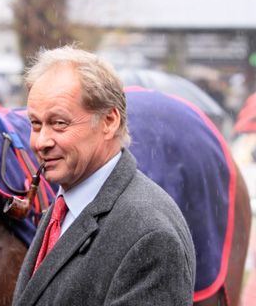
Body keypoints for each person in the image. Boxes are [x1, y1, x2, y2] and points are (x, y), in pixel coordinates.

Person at [12, 46, 195, 305]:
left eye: (59, 123)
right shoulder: (66, 204)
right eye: (35, 124)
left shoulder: (151, 235)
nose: (41, 141)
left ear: (109, 121)